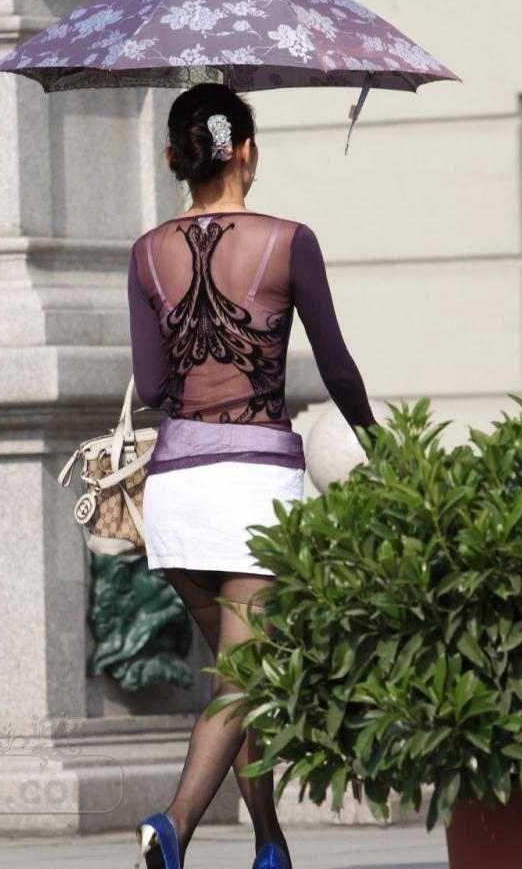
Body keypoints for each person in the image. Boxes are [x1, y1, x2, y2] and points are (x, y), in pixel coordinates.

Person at [128, 82, 379, 869]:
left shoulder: (147, 252)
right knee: (242, 682)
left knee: (239, 682)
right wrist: (380, 442)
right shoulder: (288, 240)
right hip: (253, 484)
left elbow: (153, 385)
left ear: (173, 158)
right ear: (245, 150)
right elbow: (336, 364)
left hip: (176, 487)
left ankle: (271, 845)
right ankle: (173, 826)